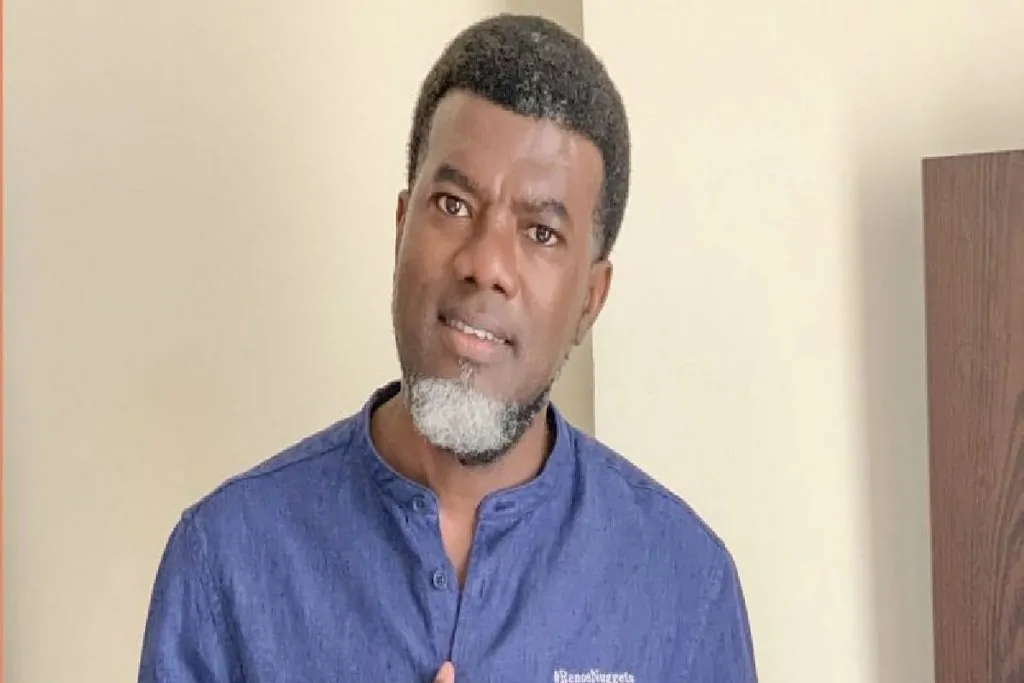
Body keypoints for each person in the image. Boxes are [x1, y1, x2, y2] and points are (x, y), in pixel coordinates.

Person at [138, 13, 758, 683]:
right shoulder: (224, 560)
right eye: (454, 204)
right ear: (401, 227)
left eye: (541, 233)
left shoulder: (686, 586)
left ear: (590, 298)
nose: (485, 264)